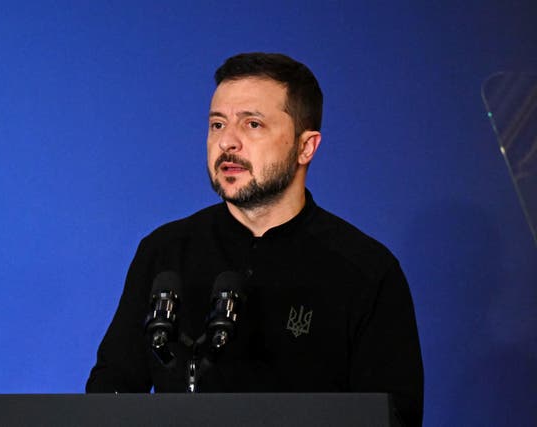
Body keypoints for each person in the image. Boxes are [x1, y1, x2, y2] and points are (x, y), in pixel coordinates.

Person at [86, 52, 424, 426]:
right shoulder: (165, 252)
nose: (228, 142)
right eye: (217, 124)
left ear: (305, 146)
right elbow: (110, 392)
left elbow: (395, 415)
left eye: (252, 124)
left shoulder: (366, 270)